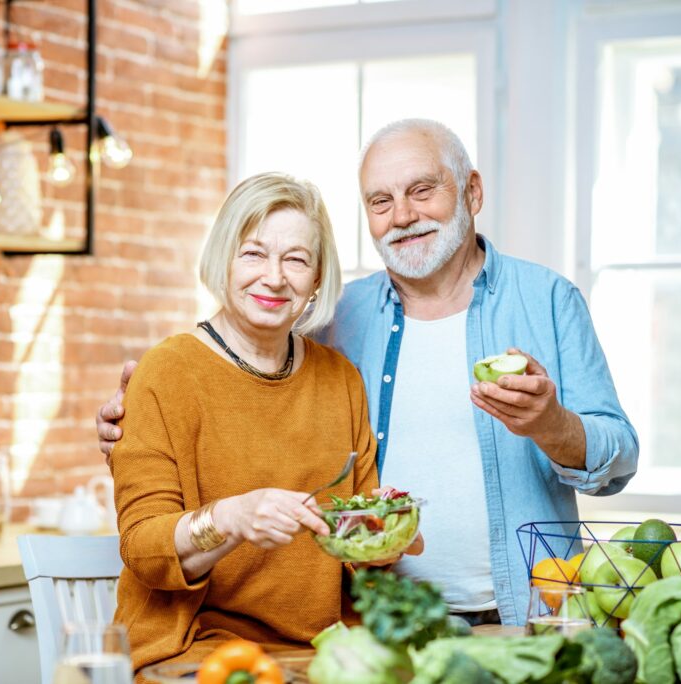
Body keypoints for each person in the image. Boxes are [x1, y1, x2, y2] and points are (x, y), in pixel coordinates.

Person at [99, 119, 638, 626]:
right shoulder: (342, 319)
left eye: (422, 190)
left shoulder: (547, 300)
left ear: (472, 192)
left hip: (528, 610)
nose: (402, 215)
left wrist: (550, 425)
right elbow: (238, 371)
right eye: (381, 201)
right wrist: (140, 423)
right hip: (385, 620)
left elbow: (620, 459)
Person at [108, 172, 411, 674]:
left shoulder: (340, 379)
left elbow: (355, 541)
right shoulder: (166, 371)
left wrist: (387, 538)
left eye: (296, 259)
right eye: (253, 253)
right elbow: (143, 547)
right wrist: (231, 518)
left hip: (325, 652)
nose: (274, 277)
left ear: (316, 280)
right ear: (223, 260)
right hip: (192, 651)